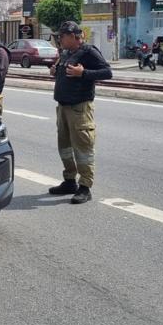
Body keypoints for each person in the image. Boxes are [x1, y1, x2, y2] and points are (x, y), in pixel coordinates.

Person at [47, 21, 113, 204]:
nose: (59, 39)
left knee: (83, 149)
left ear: (73, 36)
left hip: (79, 109)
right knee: (65, 147)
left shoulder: (89, 51)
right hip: (63, 107)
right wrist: (55, 71)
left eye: (62, 36)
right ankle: (69, 181)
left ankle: (85, 187)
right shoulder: (66, 53)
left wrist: (83, 73)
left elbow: (107, 72)